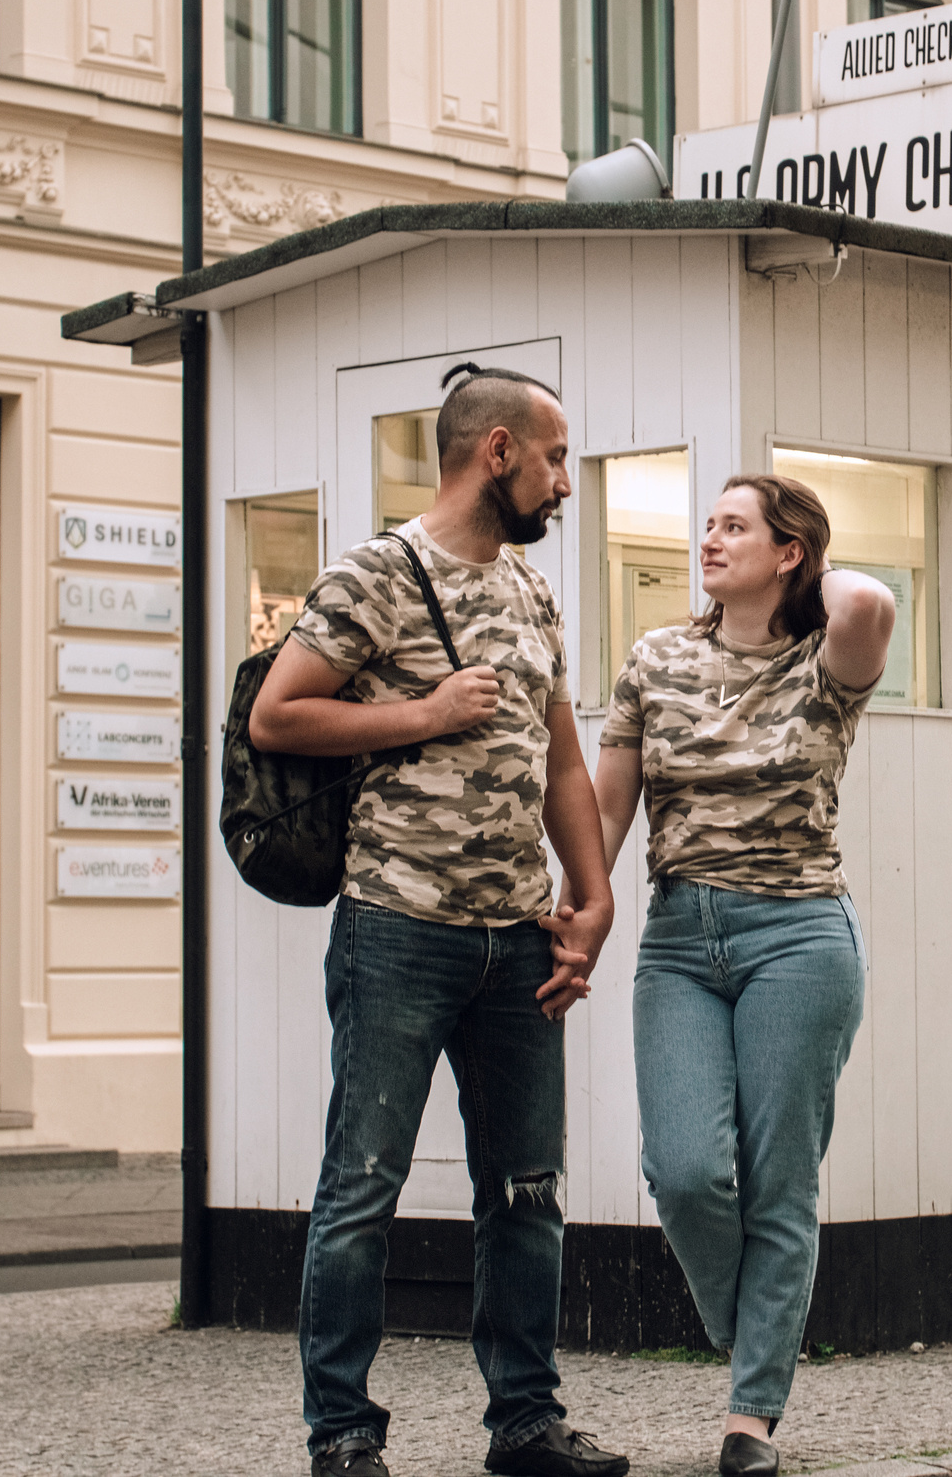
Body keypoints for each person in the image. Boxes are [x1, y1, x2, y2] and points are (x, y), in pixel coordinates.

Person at [250, 364, 629, 1477]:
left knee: (525, 1190)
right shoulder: (374, 573)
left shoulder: (532, 594)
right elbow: (278, 714)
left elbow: (562, 757)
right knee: (362, 1182)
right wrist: (420, 710)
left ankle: (525, 1425)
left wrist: (593, 895)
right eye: (556, 458)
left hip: (517, 938)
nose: (566, 482)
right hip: (396, 925)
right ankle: (343, 1437)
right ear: (498, 451)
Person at [582, 475, 896, 1477]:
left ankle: (750, 1414)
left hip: (798, 939)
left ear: (789, 550)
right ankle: (758, 1330)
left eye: (733, 527)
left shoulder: (825, 657)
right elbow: (608, 808)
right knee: (685, 1172)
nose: (707, 541)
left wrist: (802, 580)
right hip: (679, 936)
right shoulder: (655, 658)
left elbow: (872, 603)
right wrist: (580, 914)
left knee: (779, 1182)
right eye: (705, 526)